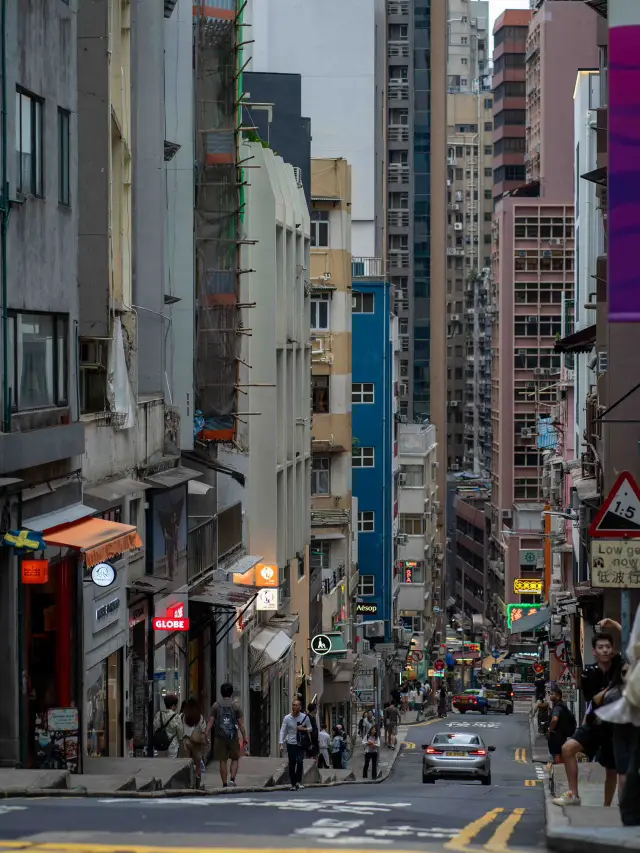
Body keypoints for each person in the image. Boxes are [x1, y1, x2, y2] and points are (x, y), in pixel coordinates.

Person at [553, 631, 624, 807]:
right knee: (567, 749)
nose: (605, 650)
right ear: (594, 652)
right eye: (601, 647)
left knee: (612, 770)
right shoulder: (588, 673)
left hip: (615, 726)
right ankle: (574, 795)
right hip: (595, 724)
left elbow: (627, 636)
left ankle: (607, 807)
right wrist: (614, 687)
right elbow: (595, 699)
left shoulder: (619, 666)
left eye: (608, 647)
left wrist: (611, 625)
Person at [206, 682, 247, 788]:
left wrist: (206, 733)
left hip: (219, 737)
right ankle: (232, 780)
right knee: (235, 758)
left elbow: (210, 722)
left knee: (222, 760)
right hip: (233, 736)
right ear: (231, 692)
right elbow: (241, 724)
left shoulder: (216, 705)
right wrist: (244, 737)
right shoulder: (236, 706)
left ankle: (224, 783)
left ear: (221, 692)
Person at [279, 697, 312, 790]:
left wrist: (303, 729)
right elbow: (282, 730)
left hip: (300, 743)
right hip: (291, 743)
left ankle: (298, 781)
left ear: (300, 707)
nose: (294, 707)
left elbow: (311, 728)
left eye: (296, 705)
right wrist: (281, 743)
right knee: (292, 763)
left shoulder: (305, 717)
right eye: (293, 705)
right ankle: (293, 784)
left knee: (300, 761)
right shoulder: (287, 718)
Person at [180, 698, 208, 787]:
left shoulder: (182, 716)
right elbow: (204, 731)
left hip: (186, 742)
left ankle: (187, 784)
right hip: (197, 744)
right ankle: (197, 784)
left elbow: (180, 730)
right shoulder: (200, 717)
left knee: (186, 765)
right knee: (198, 765)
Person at [547, 683, 576, 765]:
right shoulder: (563, 707)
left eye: (552, 694)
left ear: (558, 696)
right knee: (559, 755)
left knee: (557, 756)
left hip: (556, 736)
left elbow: (555, 719)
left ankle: (558, 772)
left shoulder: (557, 708)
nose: (550, 696)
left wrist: (550, 729)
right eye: (550, 694)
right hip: (561, 736)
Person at [153, 694, 184, 758]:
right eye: (176, 705)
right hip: (172, 745)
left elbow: (155, 726)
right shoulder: (176, 717)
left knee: (161, 764)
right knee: (171, 764)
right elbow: (180, 732)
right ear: (173, 705)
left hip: (160, 744)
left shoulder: (159, 714)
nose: (176, 707)